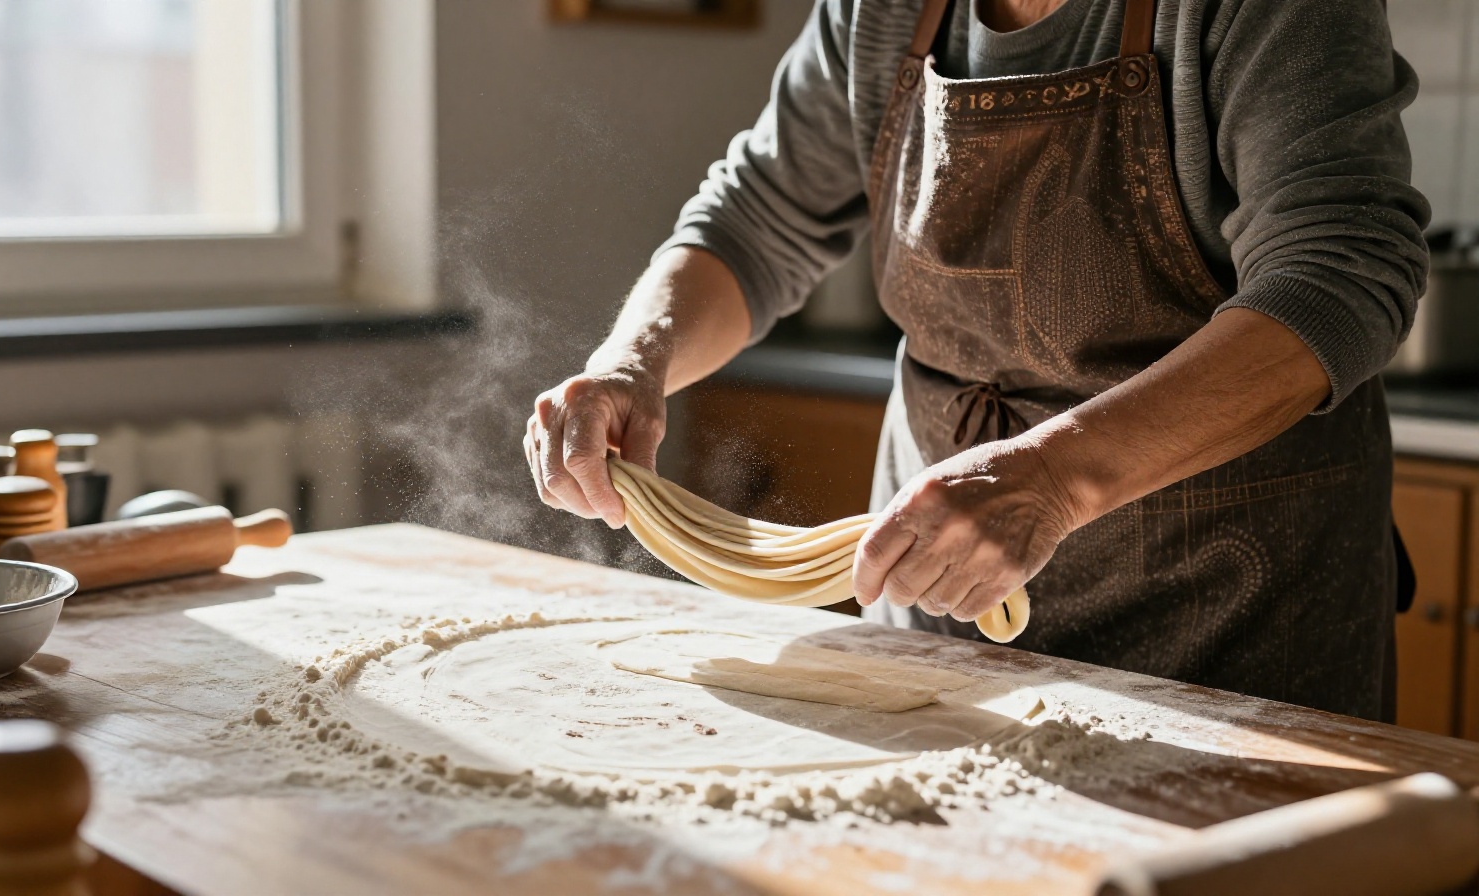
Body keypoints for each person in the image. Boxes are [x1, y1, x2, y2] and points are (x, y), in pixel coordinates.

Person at [523, 0, 1429, 722]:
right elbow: (755, 219)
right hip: (938, 618)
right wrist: (632, 361)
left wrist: (1051, 481)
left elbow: (1339, 274)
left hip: (1233, 624)